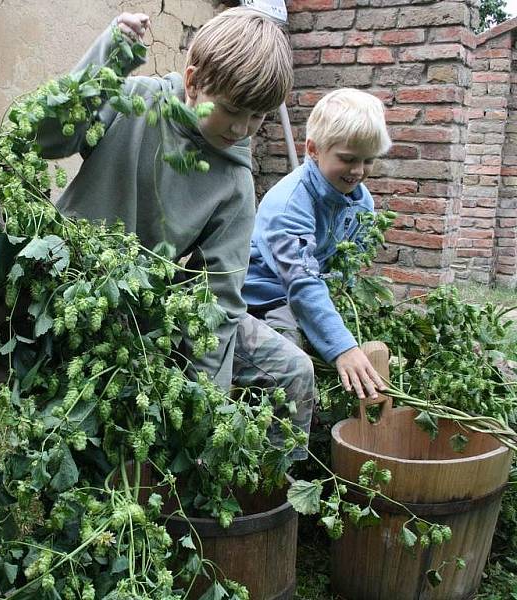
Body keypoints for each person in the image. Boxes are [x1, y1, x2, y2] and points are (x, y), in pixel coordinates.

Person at [36, 8, 293, 391]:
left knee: (291, 368)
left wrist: (206, 402)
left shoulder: (235, 184)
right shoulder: (137, 103)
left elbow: (218, 300)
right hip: (59, 287)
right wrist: (109, 57)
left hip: (136, 322)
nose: (242, 129)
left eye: (258, 116)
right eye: (231, 110)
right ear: (193, 82)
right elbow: (48, 138)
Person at [241, 88, 393, 418]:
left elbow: (349, 260)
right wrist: (342, 348)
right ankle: (277, 445)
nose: (359, 171)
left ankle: (322, 420)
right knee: (293, 356)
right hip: (265, 296)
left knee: (342, 335)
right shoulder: (289, 205)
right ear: (313, 150)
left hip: (306, 289)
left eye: (369, 160)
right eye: (349, 159)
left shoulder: (360, 200)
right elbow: (301, 283)